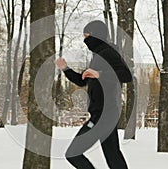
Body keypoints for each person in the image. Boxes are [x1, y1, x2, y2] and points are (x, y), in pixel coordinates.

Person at [54, 20, 132, 169]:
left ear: (96, 36)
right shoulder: (97, 56)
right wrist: (65, 69)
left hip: (103, 116)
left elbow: (126, 75)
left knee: (73, 154)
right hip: (105, 115)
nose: (85, 40)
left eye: (87, 36)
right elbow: (83, 80)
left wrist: (100, 74)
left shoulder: (109, 52)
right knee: (113, 156)